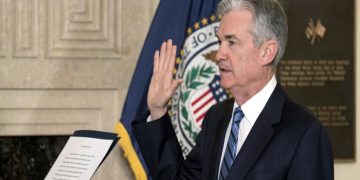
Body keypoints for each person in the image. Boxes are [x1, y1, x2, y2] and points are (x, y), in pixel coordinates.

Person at [133, 0, 334, 179]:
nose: (219, 53)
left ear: (267, 52)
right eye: (220, 41)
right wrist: (158, 110)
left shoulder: (305, 132)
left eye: (231, 42)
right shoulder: (216, 117)